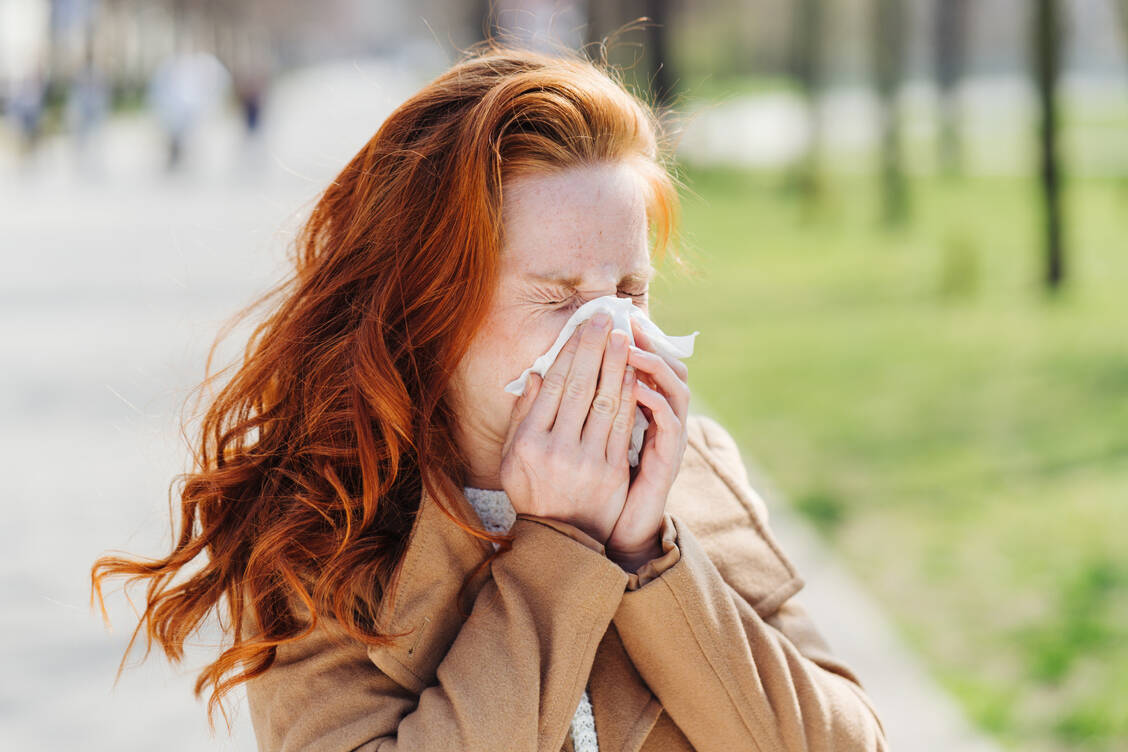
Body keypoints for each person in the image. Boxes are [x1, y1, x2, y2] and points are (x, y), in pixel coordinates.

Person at [91, 42, 887, 751]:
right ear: (432, 305)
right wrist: (560, 548)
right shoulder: (325, 530)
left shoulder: (695, 475)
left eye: (630, 289)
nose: (612, 331)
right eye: (558, 295)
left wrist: (648, 557)